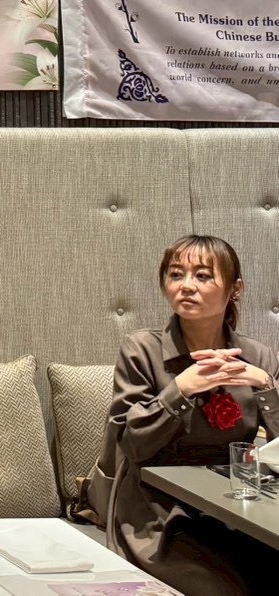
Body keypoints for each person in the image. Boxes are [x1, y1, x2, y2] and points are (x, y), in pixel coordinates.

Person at [90, 234, 279, 594]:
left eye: (203, 276)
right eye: (176, 274)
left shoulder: (258, 356)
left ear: (235, 289)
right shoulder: (141, 349)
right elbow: (131, 444)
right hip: (158, 514)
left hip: (237, 509)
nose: (186, 285)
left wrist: (265, 385)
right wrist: (182, 388)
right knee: (228, 588)